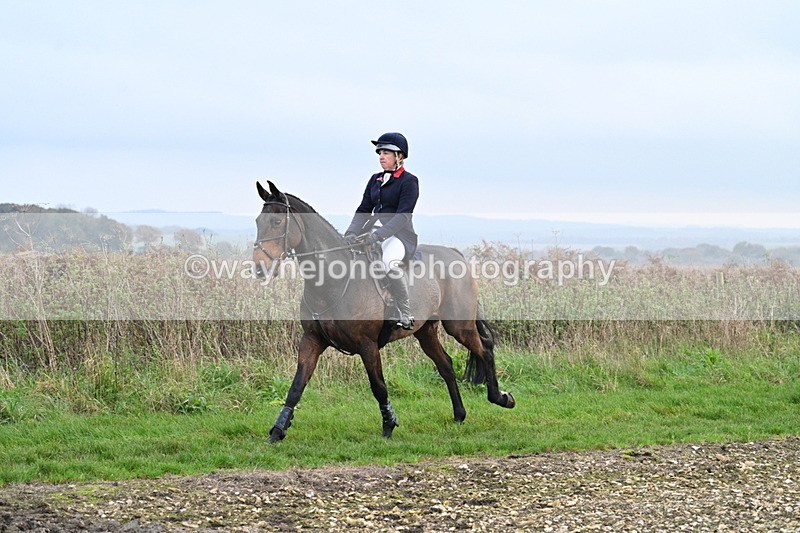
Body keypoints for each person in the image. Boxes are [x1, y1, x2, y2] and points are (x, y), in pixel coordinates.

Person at [345, 132, 419, 330]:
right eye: (380, 153)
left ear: (399, 156)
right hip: (371, 231)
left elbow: (403, 216)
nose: (381, 156)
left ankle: (405, 312)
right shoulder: (375, 179)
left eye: (386, 153)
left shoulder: (409, 181)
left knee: (388, 262)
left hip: (398, 235)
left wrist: (379, 235)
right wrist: (351, 233)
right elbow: (363, 209)